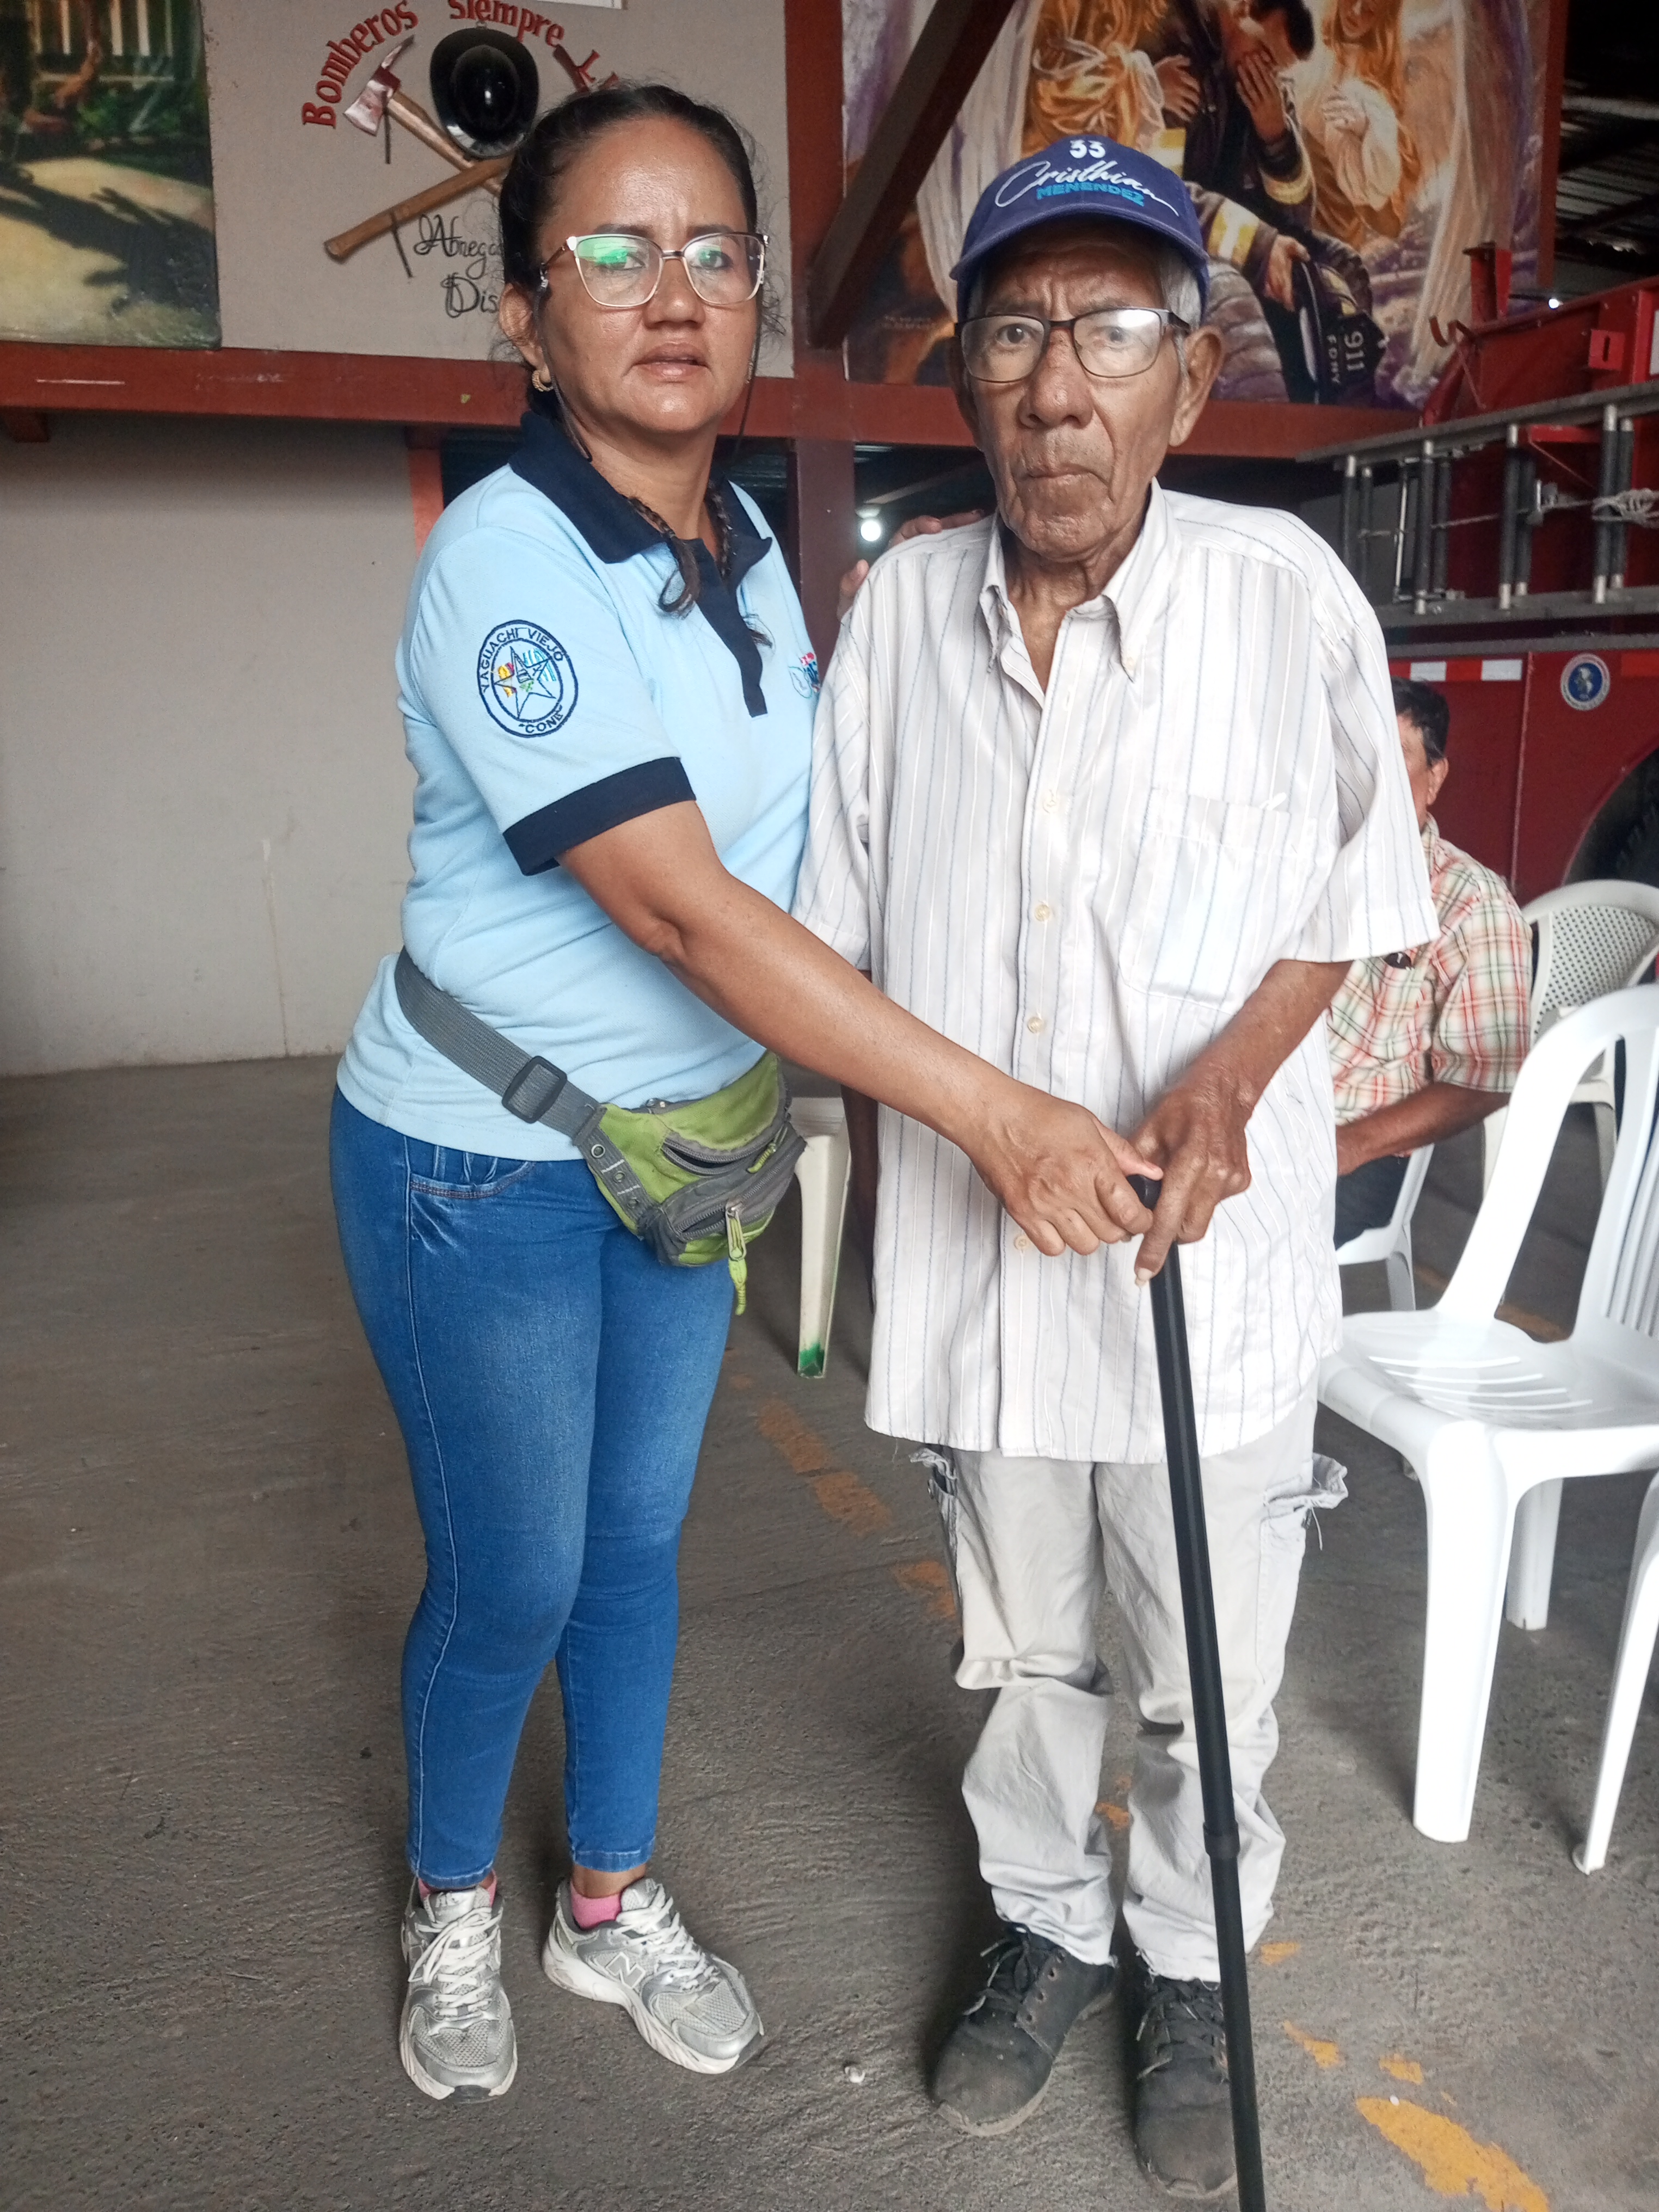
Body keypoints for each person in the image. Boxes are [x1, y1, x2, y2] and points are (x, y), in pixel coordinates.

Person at [331, 83, 1158, 2108]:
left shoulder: (750, 549)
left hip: (686, 1152)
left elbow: (820, 855)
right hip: (483, 1161)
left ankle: (604, 1900)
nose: (673, 293)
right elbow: (693, 914)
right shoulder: (507, 564)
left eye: (712, 251)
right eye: (613, 254)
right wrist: (994, 1113)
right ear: (527, 314)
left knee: (632, 1549)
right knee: (513, 1574)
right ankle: (455, 1894)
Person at [795, 132, 1435, 2195]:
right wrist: (948, 1140)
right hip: (983, 1284)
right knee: (1020, 1648)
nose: (1057, 385)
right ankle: (1046, 1921)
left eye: (1113, 332)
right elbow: (830, 947)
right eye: (1011, 334)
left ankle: (1185, 1949)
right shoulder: (897, 615)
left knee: (1203, 1673)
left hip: (1200, 1285)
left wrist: (1233, 1079)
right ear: (964, 377)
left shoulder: (1284, 596)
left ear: (1191, 377)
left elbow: (1353, 893)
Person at [1329, 677, 1532, 1246]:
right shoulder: (1301, 869)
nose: (1369, 778)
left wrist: (1345, 1148)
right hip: (1260, 1125)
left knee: (1201, 1252)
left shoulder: (1469, 901)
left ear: (1435, 776)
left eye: (1394, 758)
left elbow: (1487, 1079)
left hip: (1358, 1152)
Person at [1296, 0, 1420, 247]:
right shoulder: (1310, 43)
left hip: (1335, 227)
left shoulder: (1373, 93)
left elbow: (1388, 220)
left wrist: (1367, 132)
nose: (1355, 12)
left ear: (1381, 19)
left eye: (1369, 10)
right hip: (1289, 201)